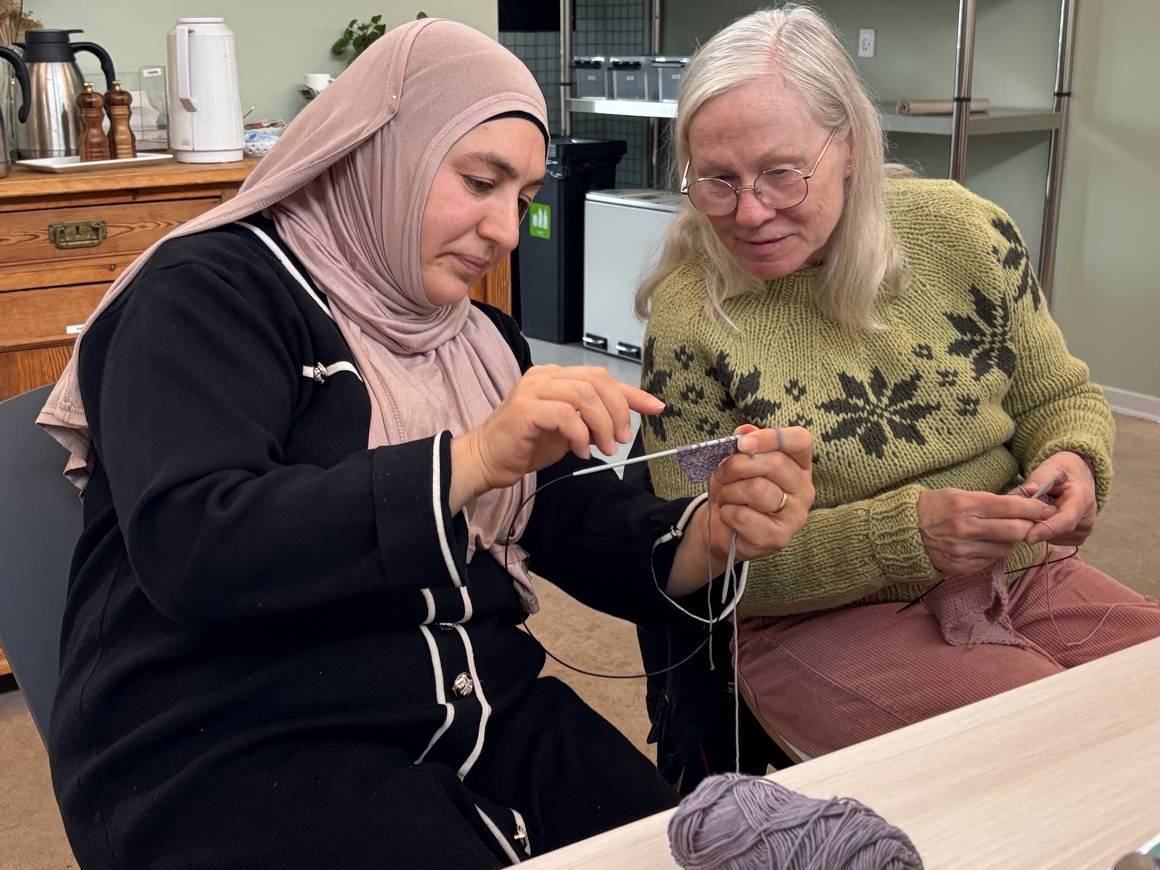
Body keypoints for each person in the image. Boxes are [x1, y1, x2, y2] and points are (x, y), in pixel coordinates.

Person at [36, 19, 815, 869]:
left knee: (667, 850)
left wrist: (706, 531)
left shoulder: (477, 338)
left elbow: (561, 512)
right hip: (235, 739)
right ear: (382, 149)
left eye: (521, 200)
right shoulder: (205, 295)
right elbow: (196, 542)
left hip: (479, 708)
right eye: (479, 182)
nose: (506, 233)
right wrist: (471, 459)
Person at [635, 4, 1160, 763]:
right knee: (1062, 754)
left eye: (781, 174)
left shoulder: (966, 234)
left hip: (1015, 568)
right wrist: (904, 537)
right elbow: (702, 560)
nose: (749, 213)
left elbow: (1057, 397)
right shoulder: (689, 323)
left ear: (847, 143)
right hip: (814, 616)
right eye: (717, 181)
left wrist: (1075, 458)